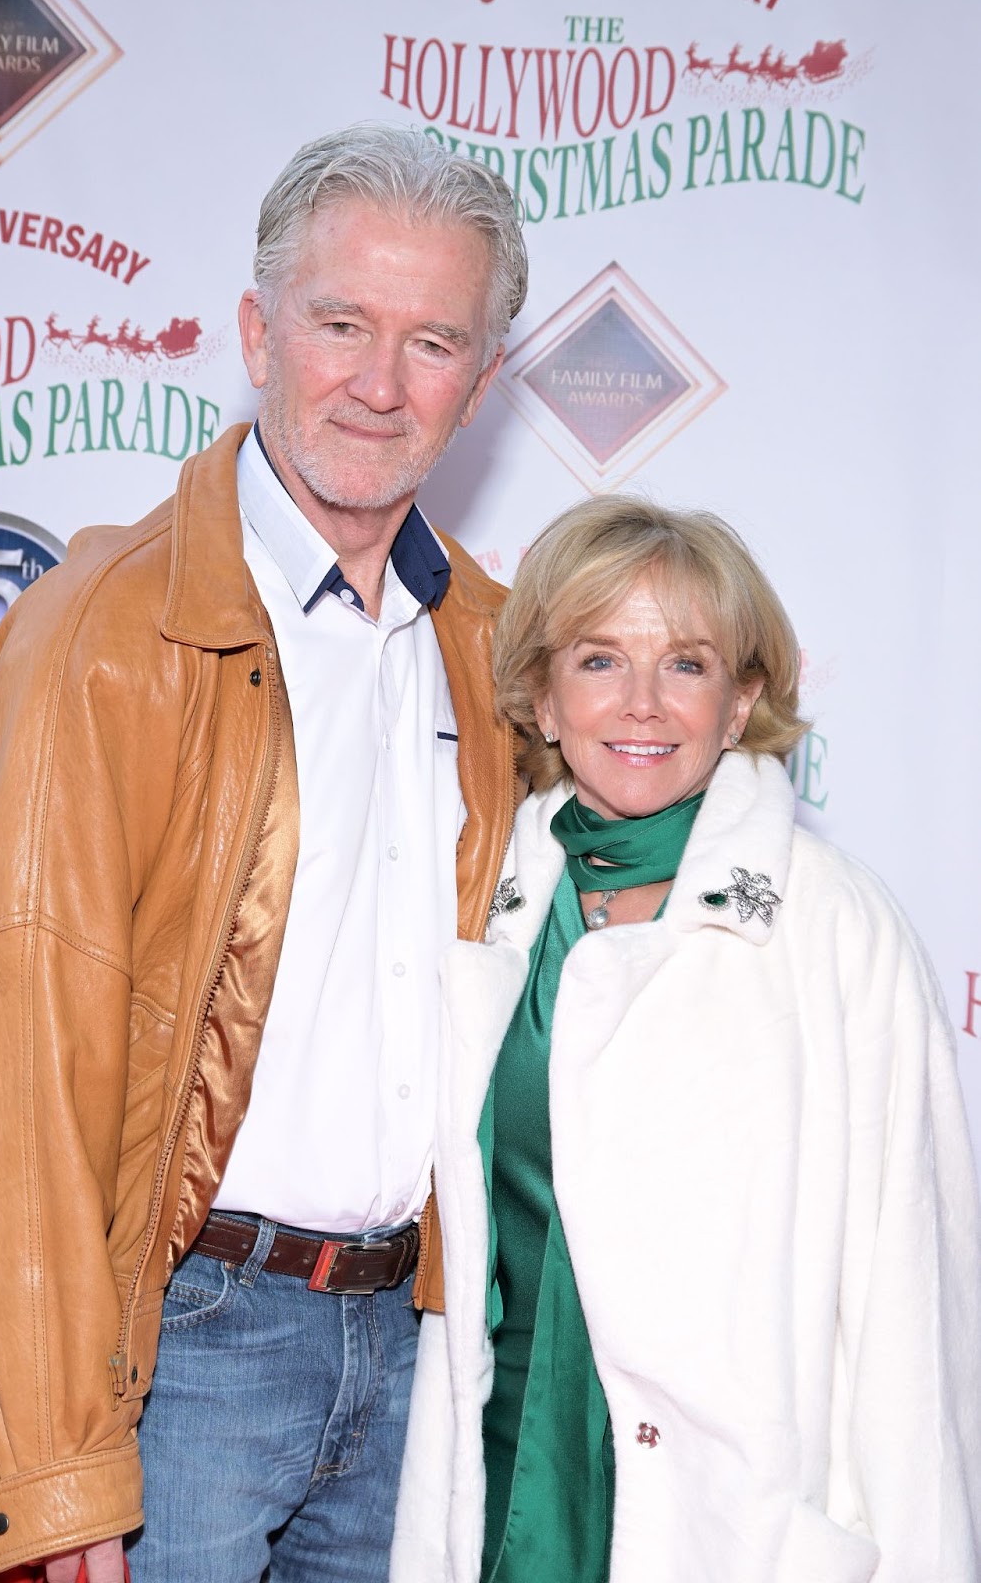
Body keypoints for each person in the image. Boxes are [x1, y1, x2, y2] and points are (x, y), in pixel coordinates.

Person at [0, 123, 528, 1583]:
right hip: (188, 1348)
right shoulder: (100, 627)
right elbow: (23, 1070)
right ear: (259, 330)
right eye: (340, 324)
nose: (379, 384)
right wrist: (59, 1464)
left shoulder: (501, 651)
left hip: (415, 1350)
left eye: (432, 340)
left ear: (483, 381)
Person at [391, 496, 981, 1583]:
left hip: (734, 1520)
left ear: (741, 696)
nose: (643, 704)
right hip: (501, 1479)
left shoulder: (830, 925)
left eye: (688, 664)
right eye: (600, 658)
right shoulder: (482, 898)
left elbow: (911, 1310)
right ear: (540, 694)